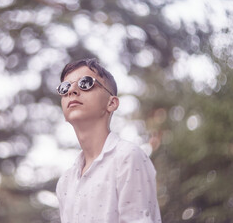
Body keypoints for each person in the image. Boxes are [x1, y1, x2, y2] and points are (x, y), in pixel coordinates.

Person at [55, 58, 162, 223]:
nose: (72, 91)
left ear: (112, 103)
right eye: (65, 87)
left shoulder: (127, 157)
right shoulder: (65, 182)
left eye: (85, 83)